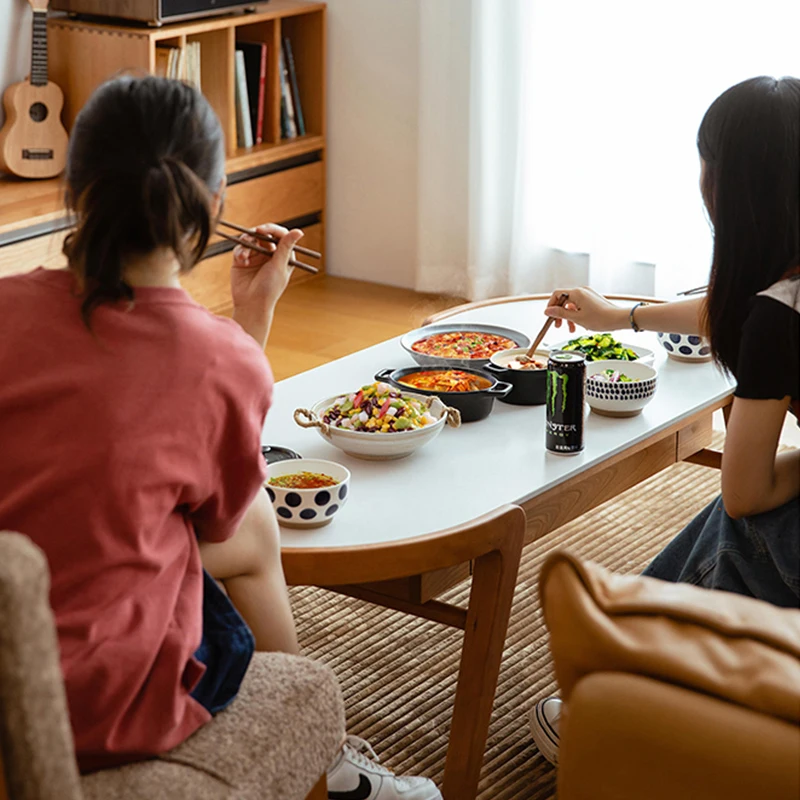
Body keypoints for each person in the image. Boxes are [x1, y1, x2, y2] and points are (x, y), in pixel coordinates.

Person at [0, 76, 441, 800]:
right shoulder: (219, 358)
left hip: (12, 626)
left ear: (75, 189)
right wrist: (250, 330)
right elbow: (216, 511)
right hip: (104, 702)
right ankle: (329, 764)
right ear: (213, 205)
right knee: (257, 522)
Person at [529, 75, 800, 766]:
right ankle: (621, 651)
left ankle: (623, 686)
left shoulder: (777, 318)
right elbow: (745, 307)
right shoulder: (782, 291)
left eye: (704, 159)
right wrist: (620, 315)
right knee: (724, 531)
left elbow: (745, 492)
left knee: (743, 528)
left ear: (735, 186)